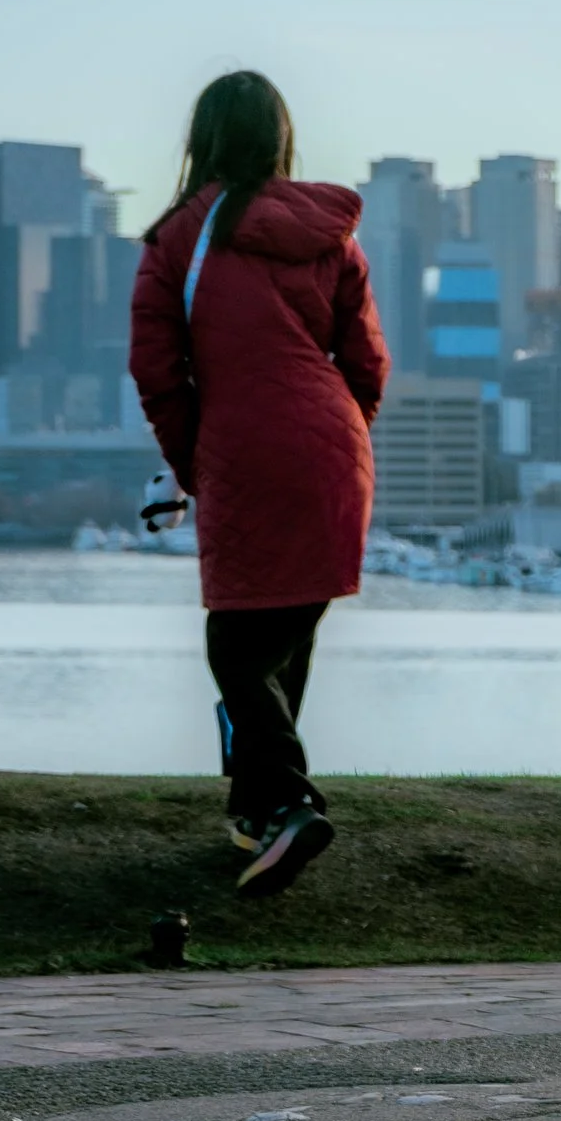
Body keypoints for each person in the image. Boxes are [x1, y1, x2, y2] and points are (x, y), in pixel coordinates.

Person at [129, 70, 388, 897]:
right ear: (280, 137)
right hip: (334, 443)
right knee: (282, 638)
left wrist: (194, 457)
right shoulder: (334, 236)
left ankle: (284, 801)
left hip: (246, 446)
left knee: (235, 643)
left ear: (200, 139)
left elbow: (156, 370)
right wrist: (336, 440)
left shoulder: (178, 240)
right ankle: (255, 817)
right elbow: (368, 363)